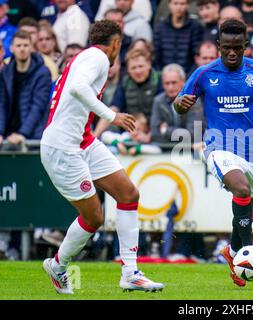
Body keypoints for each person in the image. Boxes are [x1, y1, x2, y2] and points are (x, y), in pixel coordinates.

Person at [40, 20, 164, 294]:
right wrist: (112, 115)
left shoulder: (85, 57)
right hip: (62, 147)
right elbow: (78, 89)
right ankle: (58, 266)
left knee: (128, 194)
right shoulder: (97, 57)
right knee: (94, 217)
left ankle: (130, 272)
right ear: (116, 43)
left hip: (83, 140)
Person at [174, 19, 253, 286]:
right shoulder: (203, 73)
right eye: (226, 48)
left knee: (246, 211)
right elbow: (178, 103)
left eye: (237, 48)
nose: (232, 53)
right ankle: (249, 251)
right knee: (242, 191)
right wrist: (181, 103)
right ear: (219, 46)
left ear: (246, 46)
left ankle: (233, 253)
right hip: (218, 147)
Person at [0, 30, 52, 148]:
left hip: (33, 136)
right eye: (18, 46)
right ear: (12, 48)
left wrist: (22, 134)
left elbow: (38, 107)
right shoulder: (5, 72)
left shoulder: (42, 73)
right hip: (9, 134)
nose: (22, 49)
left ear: (31, 48)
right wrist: (0, 132)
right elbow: (2, 104)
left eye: (25, 45)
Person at [93, 48, 159, 138]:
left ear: (149, 65)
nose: (138, 71)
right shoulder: (125, 83)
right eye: (133, 67)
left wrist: (150, 136)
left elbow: (162, 113)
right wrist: (95, 136)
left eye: (141, 66)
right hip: (129, 134)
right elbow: (113, 109)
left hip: (156, 134)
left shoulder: (159, 80)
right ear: (128, 69)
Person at [153, 0, 204, 72]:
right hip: (164, 75)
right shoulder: (160, 27)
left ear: (187, 5)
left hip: (188, 75)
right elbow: (156, 56)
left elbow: (196, 56)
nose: (179, 7)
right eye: (175, 3)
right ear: (169, 5)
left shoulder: (195, 27)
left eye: (182, 4)